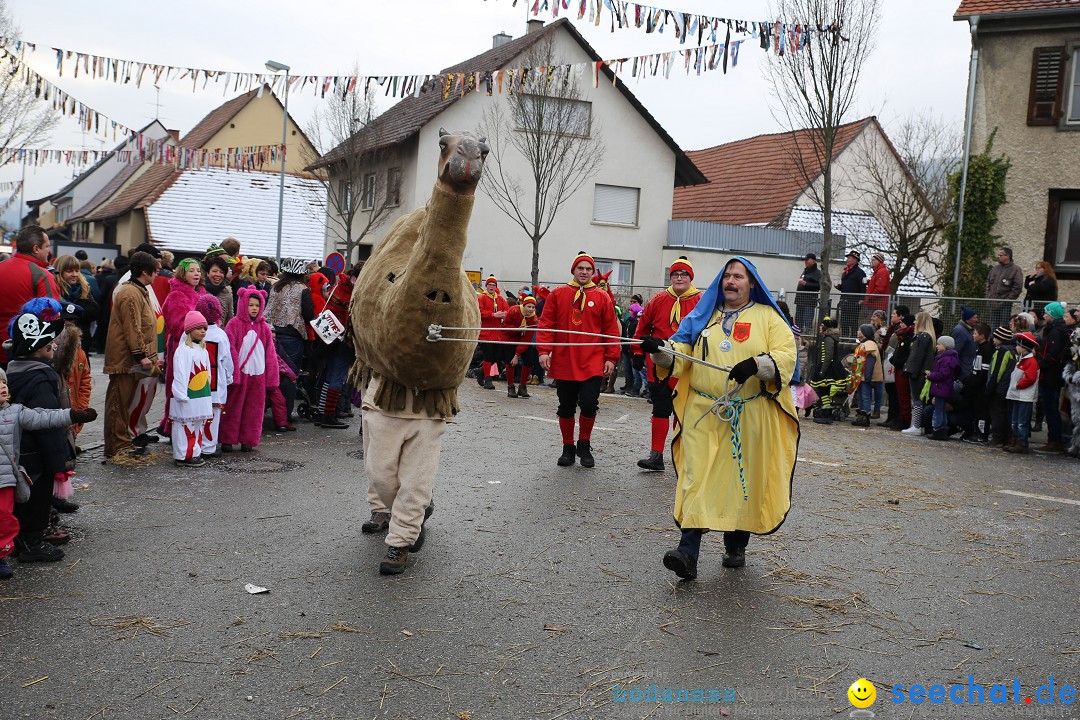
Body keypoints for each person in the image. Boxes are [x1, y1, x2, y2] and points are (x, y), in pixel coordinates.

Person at [641, 257, 798, 578]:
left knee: (743, 483)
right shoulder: (702, 317)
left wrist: (757, 364)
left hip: (749, 414)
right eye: (727, 276)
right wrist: (658, 350)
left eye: (738, 277)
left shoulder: (768, 318)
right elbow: (678, 356)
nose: (731, 281)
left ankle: (736, 545)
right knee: (696, 478)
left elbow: (787, 354)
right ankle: (687, 552)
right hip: (703, 413)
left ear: (751, 283)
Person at [5, 299, 97, 564]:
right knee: (37, 501)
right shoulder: (42, 378)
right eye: (50, 343)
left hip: (22, 452)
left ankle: (22, 540)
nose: (55, 345)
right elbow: (46, 422)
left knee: (24, 500)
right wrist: (56, 460)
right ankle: (33, 544)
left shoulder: (14, 371)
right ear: (39, 348)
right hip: (39, 454)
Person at [0, 367, 94, 580]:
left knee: (5, 517)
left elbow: (43, 417)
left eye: (4, 382)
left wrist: (72, 415)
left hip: (5, 478)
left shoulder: (15, 411)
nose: (3, 386)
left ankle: (1, 555)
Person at [536, 251, 620, 468]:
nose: (584, 272)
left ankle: (584, 444)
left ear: (593, 273)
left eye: (588, 269)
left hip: (593, 360)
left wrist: (611, 357)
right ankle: (568, 447)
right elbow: (546, 324)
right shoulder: (558, 294)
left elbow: (611, 330)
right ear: (573, 270)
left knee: (590, 404)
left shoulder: (602, 297)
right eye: (580, 268)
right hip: (564, 359)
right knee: (565, 406)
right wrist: (544, 350)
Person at [632, 257, 702, 471]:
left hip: (688, 366)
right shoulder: (659, 299)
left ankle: (679, 455)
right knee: (660, 409)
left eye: (683, 274)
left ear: (691, 277)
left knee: (683, 412)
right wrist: (636, 351)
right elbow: (643, 327)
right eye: (675, 274)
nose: (679, 278)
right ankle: (656, 455)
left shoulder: (702, 300)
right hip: (660, 365)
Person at [103, 252, 160, 463]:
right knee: (118, 404)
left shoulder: (138, 290)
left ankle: (122, 442)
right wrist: (141, 355)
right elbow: (132, 327)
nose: (157, 274)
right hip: (124, 360)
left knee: (124, 403)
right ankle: (116, 447)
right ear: (144, 271)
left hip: (131, 360)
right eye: (154, 271)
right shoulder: (129, 292)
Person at [222, 288, 280, 452]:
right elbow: (230, 350)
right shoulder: (234, 324)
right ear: (242, 304)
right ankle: (228, 438)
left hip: (258, 377)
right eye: (250, 305)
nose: (254, 308)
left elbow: (270, 354)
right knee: (233, 407)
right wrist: (233, 374)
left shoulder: (264, 328)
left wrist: (272, 378)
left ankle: (248, 439)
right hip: (240, 375)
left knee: (254, 410)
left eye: (257, 305)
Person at [0, 225, 61, 365]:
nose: (49, 251)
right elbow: (51, 318)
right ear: (36, 248)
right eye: (47, 246)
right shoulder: (42, 275)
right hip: (27, 355)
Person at [265, 258, 313, 421]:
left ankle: (265, 411)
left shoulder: (275, 287)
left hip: (272, 335)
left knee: (272, 374)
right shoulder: (303, 289)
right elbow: (308, 315)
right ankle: (284, 416)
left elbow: (268, 310)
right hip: (293, 337)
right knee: (290, 377)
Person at [161, 259, 205, 430]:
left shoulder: (201, 293)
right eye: (191, 270)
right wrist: (197, 328)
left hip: (199, 347)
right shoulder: (177, 295)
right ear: (182, 273)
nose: (196, 273)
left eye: (198, 270)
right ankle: (173, 425)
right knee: (179, 385)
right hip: (181, 348)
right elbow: (176, 324)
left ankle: (193, 421)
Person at [169, 311, 214, 468]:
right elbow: (180, 373)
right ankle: (183, 454)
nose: (203, 331)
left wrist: (208, 387)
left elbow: (207, 372)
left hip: (201, 394)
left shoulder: (203, 350)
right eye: (199, 328)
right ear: (189, 330)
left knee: (199, 423)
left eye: (205, 328)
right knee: (185, 425)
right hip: (188, 395)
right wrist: (180, 393)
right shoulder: (183, 351)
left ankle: (195, 452)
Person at [194, 295, 232, 458]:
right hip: (216, 384)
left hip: (195, 383)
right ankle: (209, 447)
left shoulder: (190, 332)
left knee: (196, 415)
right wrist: (229, 377)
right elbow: (227, 360)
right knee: (213, 416)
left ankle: (195, 445)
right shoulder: (220, 335)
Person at [1034, 301, 1070, 454]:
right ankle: (1054, 439)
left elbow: (1052, 355)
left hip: (1051, 376)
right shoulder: (1055, 330)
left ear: (1053, 315)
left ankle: (1054, 440)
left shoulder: (1055, 332)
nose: (1045, 315)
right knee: (1050, 408)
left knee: (1051, 409)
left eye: (1047, 313)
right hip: (1050, 375)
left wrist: (1040, 364)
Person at [54, 255, 100, 349]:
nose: (74, 274)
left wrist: (75, 314)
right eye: (69, 271)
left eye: (77, 270)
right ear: (60, 271)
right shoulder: (54, 289)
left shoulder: (84, 288)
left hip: (82, 341)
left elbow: (94, 310)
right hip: (58, 342)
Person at [902, 311, 937, 436]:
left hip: (919, 372)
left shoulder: (923, 337)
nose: (914, 322)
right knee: (917, 400)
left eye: (916, 320)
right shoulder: (925, 337)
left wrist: (913, 371)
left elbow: (918, 356)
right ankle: (918, 425)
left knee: (917, 400)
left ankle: (916, 426)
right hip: (920, 371)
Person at [1005, 331, 1040, 454]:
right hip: (1017, 395)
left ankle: (1022, 442)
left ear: (1023, 348)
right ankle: (1015, 440)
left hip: (1024, 396)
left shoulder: (1030, 361)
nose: (1016, 347)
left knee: (1021, 421)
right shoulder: (1022, 359)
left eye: (1017, 345)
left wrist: (1018, 385)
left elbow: (1030, 378)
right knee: (1015, 420)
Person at [808, 317, 844, 423]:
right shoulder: (830, 338)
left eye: (822, 326)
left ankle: (827, 412)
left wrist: (822, 371)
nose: (820, 327)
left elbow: (828, 356)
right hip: (829, 366)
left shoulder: (828, 339)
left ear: (826, 328)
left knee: (823, 389)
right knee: (824, 389)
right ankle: (826, 410)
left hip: (828, 367)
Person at [502, 294, 539, 398]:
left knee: (528, 361)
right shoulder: (513, 310)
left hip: (523, 339)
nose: (531, 309)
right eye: (529, 307)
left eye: (533, 307)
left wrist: (517, 354)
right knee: (510, 362)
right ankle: (510, 386)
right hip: (509, 337)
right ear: (524, 305)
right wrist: (516, 329)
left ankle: (522, 386)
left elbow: (527, 339)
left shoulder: (534, 319)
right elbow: (505, 326)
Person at [986, 326, 1017, 448]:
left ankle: (997, 438)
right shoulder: (1011, 350)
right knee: (1003, 413)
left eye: (996, 337)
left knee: (997, 413)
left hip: (999, 388)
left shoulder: (1003, 352)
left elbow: (997, 371)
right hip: (1005, 388)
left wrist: (990, 387)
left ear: (1001, 339)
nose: (993, 339)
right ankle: (1005, 438)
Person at [476, 275, 509, 390]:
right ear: (486, 286)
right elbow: (479, 311)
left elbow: (507, 309)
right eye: (489, 284)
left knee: (498, 356)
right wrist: (493, 315)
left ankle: (481, 370)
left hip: (497, 333)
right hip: (485, 333)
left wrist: (504, 314)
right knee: (488, 355)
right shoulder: (481, 297)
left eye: (493, 285)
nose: (491, 287)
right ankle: (488, 379)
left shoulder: (499, 299)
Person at [925, 335, 961, 441]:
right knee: (941, 410)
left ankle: (937, 428)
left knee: (938, 410)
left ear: (945, 346)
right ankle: (943, 429)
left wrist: (931, 376)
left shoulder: (945, 359)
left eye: (939, 344)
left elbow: (943, 374)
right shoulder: (948, 358)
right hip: (943, 388)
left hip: (941, 388)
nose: (937, 346)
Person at [851, 324, 882, 427]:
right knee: (860, 396)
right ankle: (861, 414)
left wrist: (867, 376)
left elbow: (870, 361)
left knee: (865, 395)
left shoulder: (869, 344)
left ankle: (866, 415)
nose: (858, 332)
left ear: (865, 332)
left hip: (865, 376)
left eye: (860, 330)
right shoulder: (863, 343)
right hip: (860, 375)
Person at [986, 247, 1024, 329]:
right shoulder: (995, 269)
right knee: (994, 325)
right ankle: (993, 340)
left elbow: (1018, 286)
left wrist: (1008, 299)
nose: (998, 257)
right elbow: (988, 283)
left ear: (1007, 256)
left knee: (1004, 325)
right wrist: (989, 296)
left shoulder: (1015, 269)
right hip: (993, 302)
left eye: (1000, 255)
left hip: (1005, 303)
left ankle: (1003, 341)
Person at [835, 251, 867, 340]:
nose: (847, 260)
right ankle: (844, 338)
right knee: (844, 322)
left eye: (850, 258)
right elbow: (845, 288)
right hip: (844, 301)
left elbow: (863, 287)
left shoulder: (860, 273)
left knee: (853, 322)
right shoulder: (845, 272)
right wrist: (839, 287)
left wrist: (861, 299)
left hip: (854, 302)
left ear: (856, 260)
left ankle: (853, 339)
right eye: (847, 258)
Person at [202, 254, 235, 324]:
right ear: (207, 273)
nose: (218, 274)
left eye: (221, 272)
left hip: (220, 333)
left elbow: (230, 318)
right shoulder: (200, 290)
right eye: (214, 271)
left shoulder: (227, 292)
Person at [619, 297, 643, 396]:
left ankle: (636, 388)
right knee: (627, 369)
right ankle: (628, 385)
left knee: (636, 371)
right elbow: (625, 332)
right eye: (631, 302)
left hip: (634, 350)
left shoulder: (639, 321)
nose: (630, 310)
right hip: (626, 349)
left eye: (634, 302)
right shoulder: (629, 319)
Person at [794, 252, 821, 332]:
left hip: (809, 301)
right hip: (800, 300)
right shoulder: (805, 271)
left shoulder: (817, 273)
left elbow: (819, 286)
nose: (805, 262)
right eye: (805, 260)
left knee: (807, 320)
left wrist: (806, 283)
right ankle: (798, 335)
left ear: (814, 261)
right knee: (798, 320)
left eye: (807, 260)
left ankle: (807, 334)